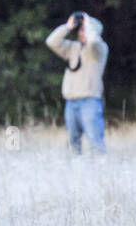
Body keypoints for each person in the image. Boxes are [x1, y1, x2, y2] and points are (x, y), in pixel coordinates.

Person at [45, 11, 108, 154]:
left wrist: (88, 25)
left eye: (83, 30)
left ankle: (101, 170)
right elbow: (51, 41)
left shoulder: (100, 49)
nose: (81, 33)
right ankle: (76, 170)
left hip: (90, 101)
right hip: (71, 102)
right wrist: (67, 27)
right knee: (73, 142)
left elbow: (93, 42)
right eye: (80, 30)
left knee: (95, 140)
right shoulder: (73, 48)